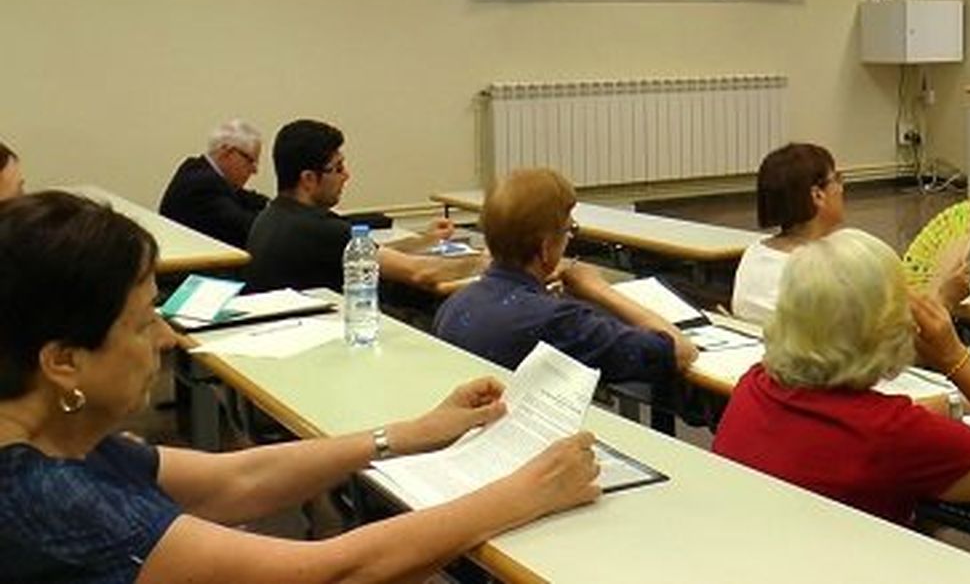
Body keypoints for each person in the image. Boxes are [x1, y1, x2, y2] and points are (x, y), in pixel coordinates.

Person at [0, 190, 600, 584]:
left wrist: (411, 434)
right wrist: (526, 493)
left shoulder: (61, 436)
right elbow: (326, 574)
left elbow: (239, 479)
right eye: (141, 323)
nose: (165, 339)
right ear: (63, 361)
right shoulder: (45, 501)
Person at [713, 228, 970, 526]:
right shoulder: (891, 436)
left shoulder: (754, 385)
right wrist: (955, 358)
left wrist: (958, 403)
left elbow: (863, 422)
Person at [434, 167, 698, 383]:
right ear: (545, 248)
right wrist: (598, 288)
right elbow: (682, 352)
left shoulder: (455, 304)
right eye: (568, 229)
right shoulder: (558, 321)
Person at [732, 143, 969, 324]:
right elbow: (887, 353)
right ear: (817, 195)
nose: (842, 188)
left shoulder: (754, 253)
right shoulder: (833, 271)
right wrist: (944, 300)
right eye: (837, 179)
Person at [245, 119, 481, 298]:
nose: (346, 176)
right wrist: (489, 262)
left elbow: (367, 252)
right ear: (308, 179)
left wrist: (425, 241)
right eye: (337, 168)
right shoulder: (318, 229)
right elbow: (419, 273)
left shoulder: (273, 215)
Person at [158, 120, 270, 249]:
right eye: (251, 161)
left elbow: (246, 197)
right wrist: (280, 218)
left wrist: (274, 205)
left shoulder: (199, 169)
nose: (255, 170)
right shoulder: (201, 186)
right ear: (227, 152)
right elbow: (246, 226)